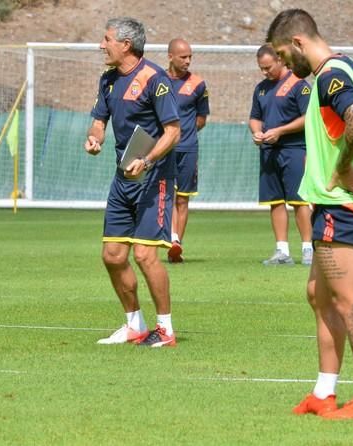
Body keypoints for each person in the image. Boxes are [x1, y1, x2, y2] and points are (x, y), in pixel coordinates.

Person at [267, 9, 353, 419]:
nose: (286, 67)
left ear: (299, 43)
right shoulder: (347, 66)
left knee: (348, 299)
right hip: (331, 205)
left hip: (345, 205)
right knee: (318, 296)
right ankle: (324, 392)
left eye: (286, 57)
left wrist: (341, 167)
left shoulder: (330, 75)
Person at [84, 17, 181, 347]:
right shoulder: (108, 81)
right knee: (112, 255)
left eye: (107, 39)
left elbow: (173, 131)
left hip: (155, 178)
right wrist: (94, 138)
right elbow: (99, 121)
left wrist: (148, 159)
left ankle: (165, 329)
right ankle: (134, 324)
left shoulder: (156, 79)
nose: (101, 45)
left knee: (144, 255)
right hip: (122, 178)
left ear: (126, 44)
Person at [249, 43, 313, 266]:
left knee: (299, 200)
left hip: (295, 150)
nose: (265, 72)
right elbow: (255, 117)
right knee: (275, 202)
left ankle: (308, 249)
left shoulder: (300, 85)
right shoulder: (261, 89)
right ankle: (282, 251)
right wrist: (257, 132)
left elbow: (309, 118)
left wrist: (280, 131)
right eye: (261, 68)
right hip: (268, 152)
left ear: (280, 60)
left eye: (268, 67)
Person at [165, 38, 210, 263]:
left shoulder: (199, 84)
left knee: (183, 199)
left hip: (188, 149)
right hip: (164, 149)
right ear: (170, 56)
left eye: (190, 56)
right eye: (183, 57)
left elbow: (202, 118)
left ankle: (176, 244)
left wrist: (186, 133)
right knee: (168, 196)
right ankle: (172, 239)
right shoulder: (158, 81)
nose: (188, 61)